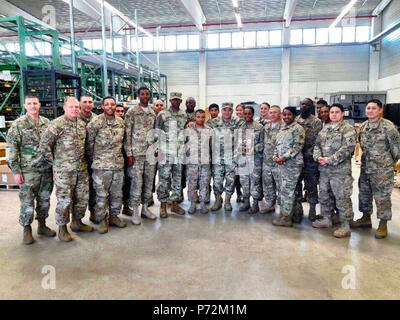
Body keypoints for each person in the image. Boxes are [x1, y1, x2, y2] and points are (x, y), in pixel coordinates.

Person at [40, 97, 93, 242]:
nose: (75, 109)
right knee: (64, 201)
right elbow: (44, 145)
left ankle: (77, 222)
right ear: (64, 108)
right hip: (64, 172)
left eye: (77, 107)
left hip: (81, 169)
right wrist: (55, 163)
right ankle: (62, 227)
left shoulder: (82, 125)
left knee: (81, 198)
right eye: (71, 107)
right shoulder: (57, 124)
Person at [6, 95, 55, 245]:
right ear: (25, 106)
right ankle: (26, 230)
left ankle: (42, 225)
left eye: (35, 103)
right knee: (27, 203)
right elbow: (12, 150)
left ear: (39, 105)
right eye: (29, 103)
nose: (33, 106)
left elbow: (52, 145)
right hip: (27, 172)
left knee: (44, 201)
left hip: (45, 171)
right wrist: (16, 171)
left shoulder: (46, 123)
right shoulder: (18, 125)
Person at [351, 99, 400, 239]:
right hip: (366, 168)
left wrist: (387, 164)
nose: (370, 111)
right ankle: (365, 218)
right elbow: (362, 146)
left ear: (380, 110)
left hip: (382, 170)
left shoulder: (388, 127)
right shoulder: (364, 126)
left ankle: (383, 224)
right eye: (368, 108)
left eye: (373, 108)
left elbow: (397, 150)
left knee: (382, 197)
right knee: (364, 194)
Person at [312, 104, 356, 238]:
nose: (334, 114)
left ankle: (345, 225)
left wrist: (329, 159)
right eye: (332, 112)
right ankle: (327, 219)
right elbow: (317, 145)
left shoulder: (348, 129)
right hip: (324, 170)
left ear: (342, 114)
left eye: (337, 112)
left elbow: (347, 149)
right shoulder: (325, 129)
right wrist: (318, 156)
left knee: (342, 197)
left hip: (340, 172)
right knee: (325, 195)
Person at [86, 96, 127, 233]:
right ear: (103, 107)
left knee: (117, 194)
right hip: (101, 166)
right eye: (107, 104)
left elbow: (123, 143)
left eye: (112, 104)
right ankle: (102, 219)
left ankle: (114, 216)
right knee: (101, 195)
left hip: (117, 165)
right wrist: (95, 159)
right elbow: (89, 144)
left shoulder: (121, 122)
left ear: (115, 106)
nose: (110, 107)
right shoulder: (95, 123)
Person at [124, 87, 157, 225]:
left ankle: (145, 208)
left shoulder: (152, 113)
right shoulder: (132, 112)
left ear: (149, 96)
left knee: (149, 182)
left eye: (147, 94)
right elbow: (127, 134)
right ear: (138, 96)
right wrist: (129, 153)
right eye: (142, 94)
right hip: (136, 154)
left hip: (149, 154)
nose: (145, 96)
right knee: (137, 183)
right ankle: (135, 212)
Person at [272, 107, 305, 227]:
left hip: (292, 164)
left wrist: (283, 157)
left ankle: (286, 218)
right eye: (284, 115)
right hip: (282, 164)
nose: (286, 117)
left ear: (294, 116)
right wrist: (276, 156)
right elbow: (277, 145)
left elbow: (297, 146)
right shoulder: (282, 129)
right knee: (291, 190)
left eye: (289, 115)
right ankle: (296, 214)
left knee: (287, 191)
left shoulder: (297, 128)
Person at [155, 92, 187, 218]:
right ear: (170, 100)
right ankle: (163, 205)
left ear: (180, 101)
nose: (176, 102)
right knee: (164, 179)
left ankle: (174, 204)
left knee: (177, 178)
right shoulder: (162, 114)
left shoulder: (183, 115)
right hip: (165, 151)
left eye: (178, 100)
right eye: (174, 99)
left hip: (179, 152)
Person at [209, 102, 244, 211]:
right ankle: (218, 200)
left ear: (232, 111)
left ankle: (228, 201)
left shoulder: (238, 122)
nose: (227, 112)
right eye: (224, 110)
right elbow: (201, 127)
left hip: (232, 157)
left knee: (230, 180)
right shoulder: (213, 122)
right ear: (221, 111)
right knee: (217, 180)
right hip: (217, 157)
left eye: (229, 110)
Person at [294, 98, 323, 222]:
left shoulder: (316, 122)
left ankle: (312, 209)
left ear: (311, 107)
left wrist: (313, 155)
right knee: (296, 184)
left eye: (307, 105)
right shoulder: (295, 120)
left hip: (310, 159)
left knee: (311, 185)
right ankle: (298, 209)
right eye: (302, 104)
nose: (304, 106)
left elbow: (319, 141)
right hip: (296, 158)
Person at [235, 106, 263, 214]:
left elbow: (263, 143)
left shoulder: (259, 127)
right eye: (245, 114)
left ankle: (255, 204)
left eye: (249, 114)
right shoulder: (241, 127)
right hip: (243, 159)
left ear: (253, 114)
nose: (247, 116)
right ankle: (246, 202)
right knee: (244, 181)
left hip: (255, 159)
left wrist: (254, 149)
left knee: (255, 182)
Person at [185, 110, 212, 214]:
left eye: (202, 117)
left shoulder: (209, 130)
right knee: (192, 183)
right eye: (198, 117)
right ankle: (192, 203)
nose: (200, 119)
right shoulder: (189, 129)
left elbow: (211, 146)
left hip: (205, 162)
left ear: (205, 118)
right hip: (192, 161)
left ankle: (203, 204)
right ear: (195, 117)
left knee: (204, 183)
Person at [78, 94, 97, 224]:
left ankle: (94, 212)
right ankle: (77, 219)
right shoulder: (75, 118)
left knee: (94, 187)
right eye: (84, 102)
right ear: (80, 104)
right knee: (80, 191)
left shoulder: (96, 119)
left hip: (94, 159)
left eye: (90, 102)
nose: (87, 104)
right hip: (78, 161)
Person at [261, 105, 282, 214]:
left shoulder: (284, 127)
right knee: (267, 184)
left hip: (279, 162)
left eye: (275, 112)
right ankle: (270, 204)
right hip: (267, 161)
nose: (272, 114)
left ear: (280, 114)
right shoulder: (266, 127)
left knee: (280, 186)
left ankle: (283, 209)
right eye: (271, 112)